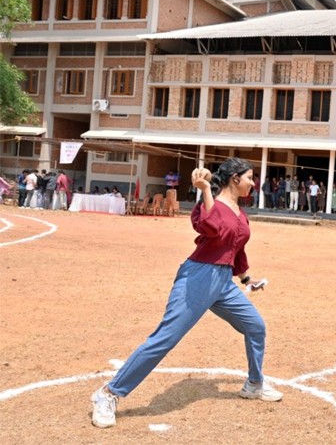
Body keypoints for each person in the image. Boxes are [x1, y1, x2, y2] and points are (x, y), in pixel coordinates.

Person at [90, 158, 281, 429]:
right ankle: (108, 394)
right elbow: (209, 227)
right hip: (197, 278)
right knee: (165, 339)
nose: (254, 183)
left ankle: (254, 384)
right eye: (250, 177)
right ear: (235, 179)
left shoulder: (239, 211)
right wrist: (204, 190)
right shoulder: (210, 203)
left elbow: (236, 248)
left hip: (224, 282)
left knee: (256, 327)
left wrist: (247, 278)